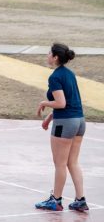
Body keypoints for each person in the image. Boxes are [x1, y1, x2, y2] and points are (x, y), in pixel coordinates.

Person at [35, 43, 88, 212]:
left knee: (59, 163)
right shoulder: (70, 74)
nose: (47, 55)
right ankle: (80, 199)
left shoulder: (55, 77)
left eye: (49, 53)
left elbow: (61, 103)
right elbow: (70, 101)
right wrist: (50, 117)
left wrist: (44, 103)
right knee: (72, 162)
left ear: (55, 57)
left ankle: (56, 200)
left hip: (65, 123)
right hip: (79, 121)